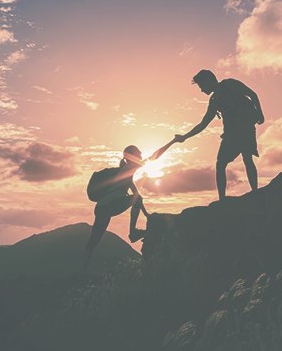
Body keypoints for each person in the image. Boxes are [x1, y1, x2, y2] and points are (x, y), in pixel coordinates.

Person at [80, 140, 176, 276]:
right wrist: (172, 141)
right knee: (95, 238)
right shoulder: (129, 168)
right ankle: (132, 233)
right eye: (139, 152)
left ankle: (82, 271)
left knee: (94, 239)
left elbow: (136, 196)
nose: (142, 154)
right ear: (132, 156)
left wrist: (146, 214)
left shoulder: (126, 173)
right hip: (107, 207)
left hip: (102, 207)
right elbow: (154, 157)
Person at [175, 70, 265, 200]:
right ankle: (222, 200)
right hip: (230, 134)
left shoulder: (230, 84)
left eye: (201, 86)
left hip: (245, 127)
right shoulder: (214, 101)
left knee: (247, 157)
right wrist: (184, 137)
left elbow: (252, 94)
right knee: (220, 164)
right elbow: (203, 123)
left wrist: (260, 113)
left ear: (208, 80)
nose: (201, 90)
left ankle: (255, 193)